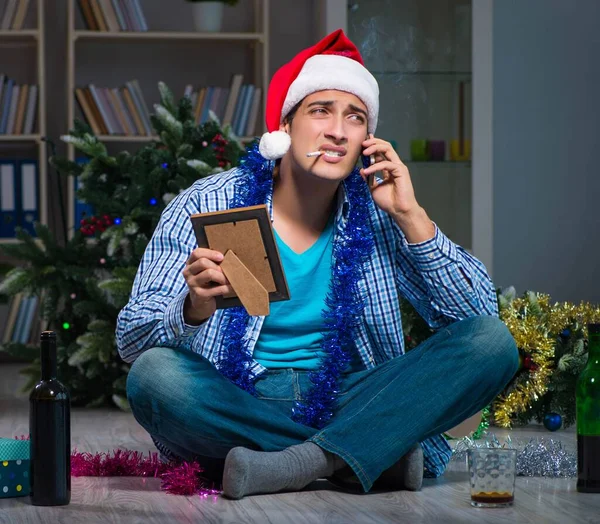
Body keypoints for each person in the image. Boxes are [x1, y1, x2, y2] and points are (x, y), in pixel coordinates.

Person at [117, 29, 519, 500]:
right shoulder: (208, 201)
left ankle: (298, 462)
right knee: (154, 377)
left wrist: (414, 218)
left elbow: (475, 318)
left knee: (494, 343)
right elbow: (130, 341)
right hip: (240, 399)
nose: (337, 130)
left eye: (355, 117)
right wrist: (191, 309)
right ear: (285, 126)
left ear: (366, 139)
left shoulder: (380, 211)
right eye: (321, 110)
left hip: (351, 399)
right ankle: (362, 456)